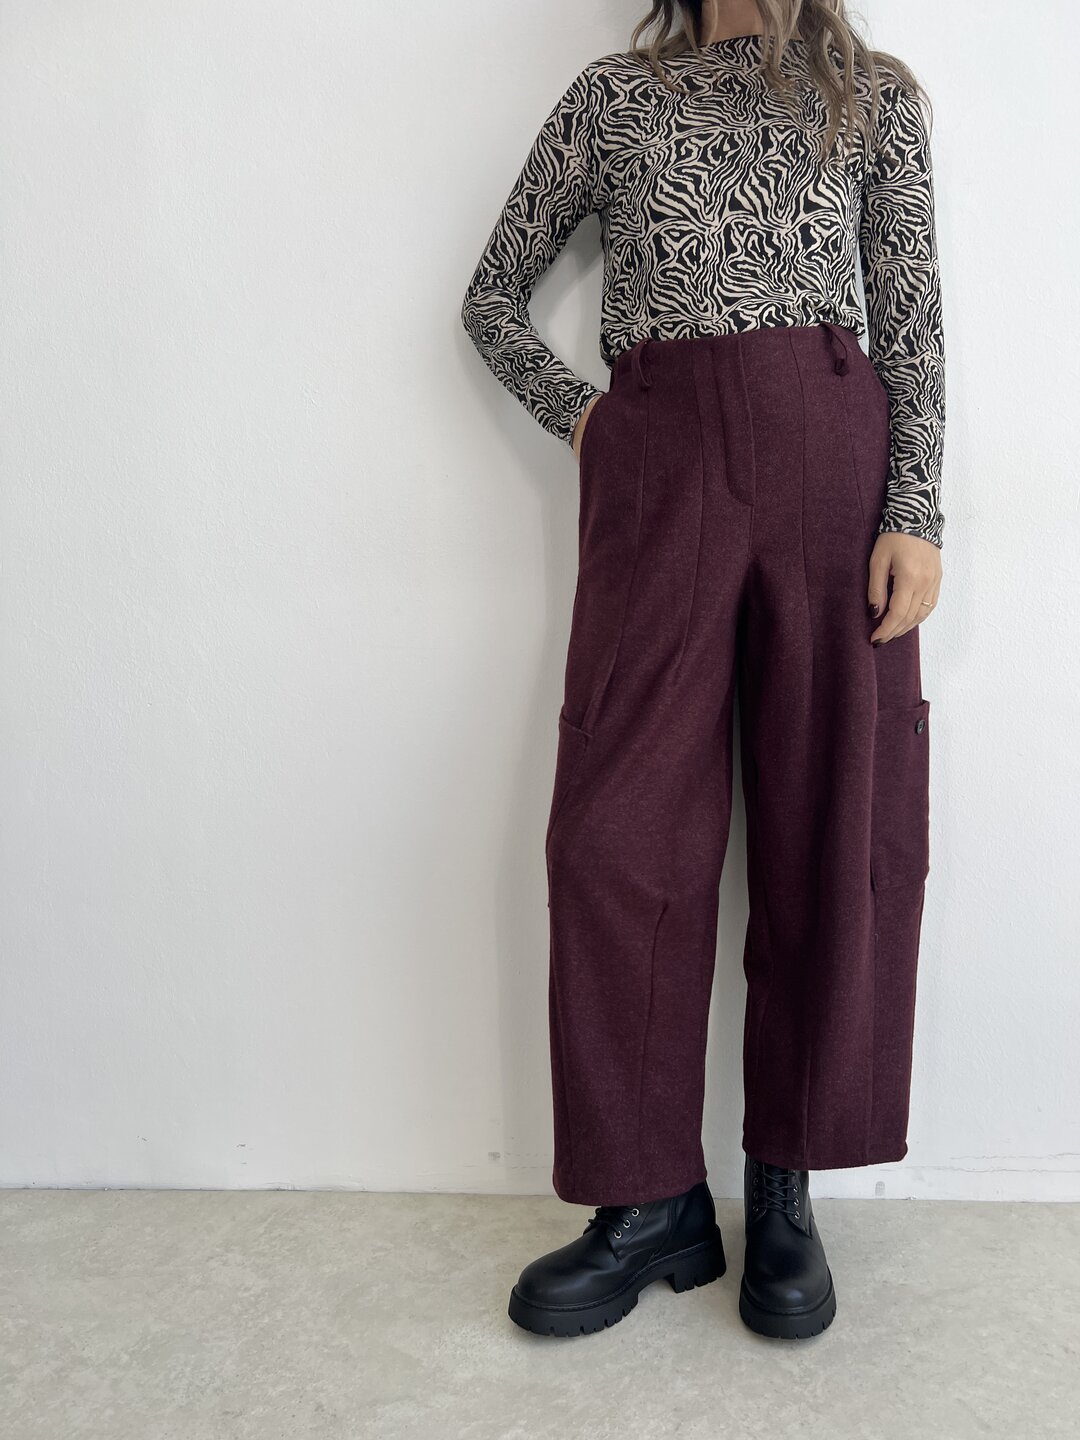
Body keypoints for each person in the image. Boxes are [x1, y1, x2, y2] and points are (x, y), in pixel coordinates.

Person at [460, 0, 944, 1341]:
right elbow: (492, 300)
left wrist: (916, 510)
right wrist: (595, 426)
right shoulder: (612, 99)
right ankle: (649, 1200)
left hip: (832, 470)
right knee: (615, 839)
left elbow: (910, 313)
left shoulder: (872, 93)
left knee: (828, 821)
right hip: (659, 474)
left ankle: (785, 1183)